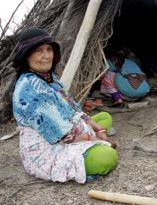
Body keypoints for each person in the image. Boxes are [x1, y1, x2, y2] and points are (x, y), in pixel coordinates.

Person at [12, 27, 118, 184]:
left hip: (69, 128)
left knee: (104, 117)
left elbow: (73, 108)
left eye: (49, 49)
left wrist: (99, 130)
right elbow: (67, 136)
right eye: (39, 51)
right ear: (26, 56)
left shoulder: (50, 78)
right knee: (107, 157)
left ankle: (98, 137)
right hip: (49, 148)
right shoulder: (31, 87)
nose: (46, 56)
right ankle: (97, 147)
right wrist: (98, 139)